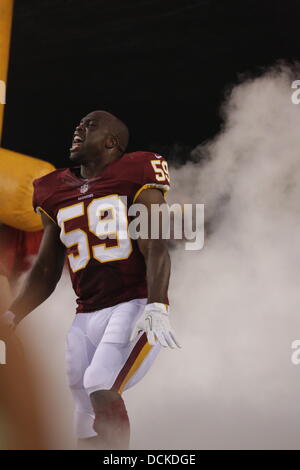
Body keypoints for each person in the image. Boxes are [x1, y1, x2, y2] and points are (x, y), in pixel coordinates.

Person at [0, 110, 180, 450]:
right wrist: (13, 314)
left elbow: (155, 244)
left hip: (133, 305)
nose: (78, 129)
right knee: (81, 405)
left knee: (101, 384)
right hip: (85, 315)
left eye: (90, 125)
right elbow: (45, 270)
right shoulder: (51, 190)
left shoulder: (137, 172)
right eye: (78, 125)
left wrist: (157, 304)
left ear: (112, 142)